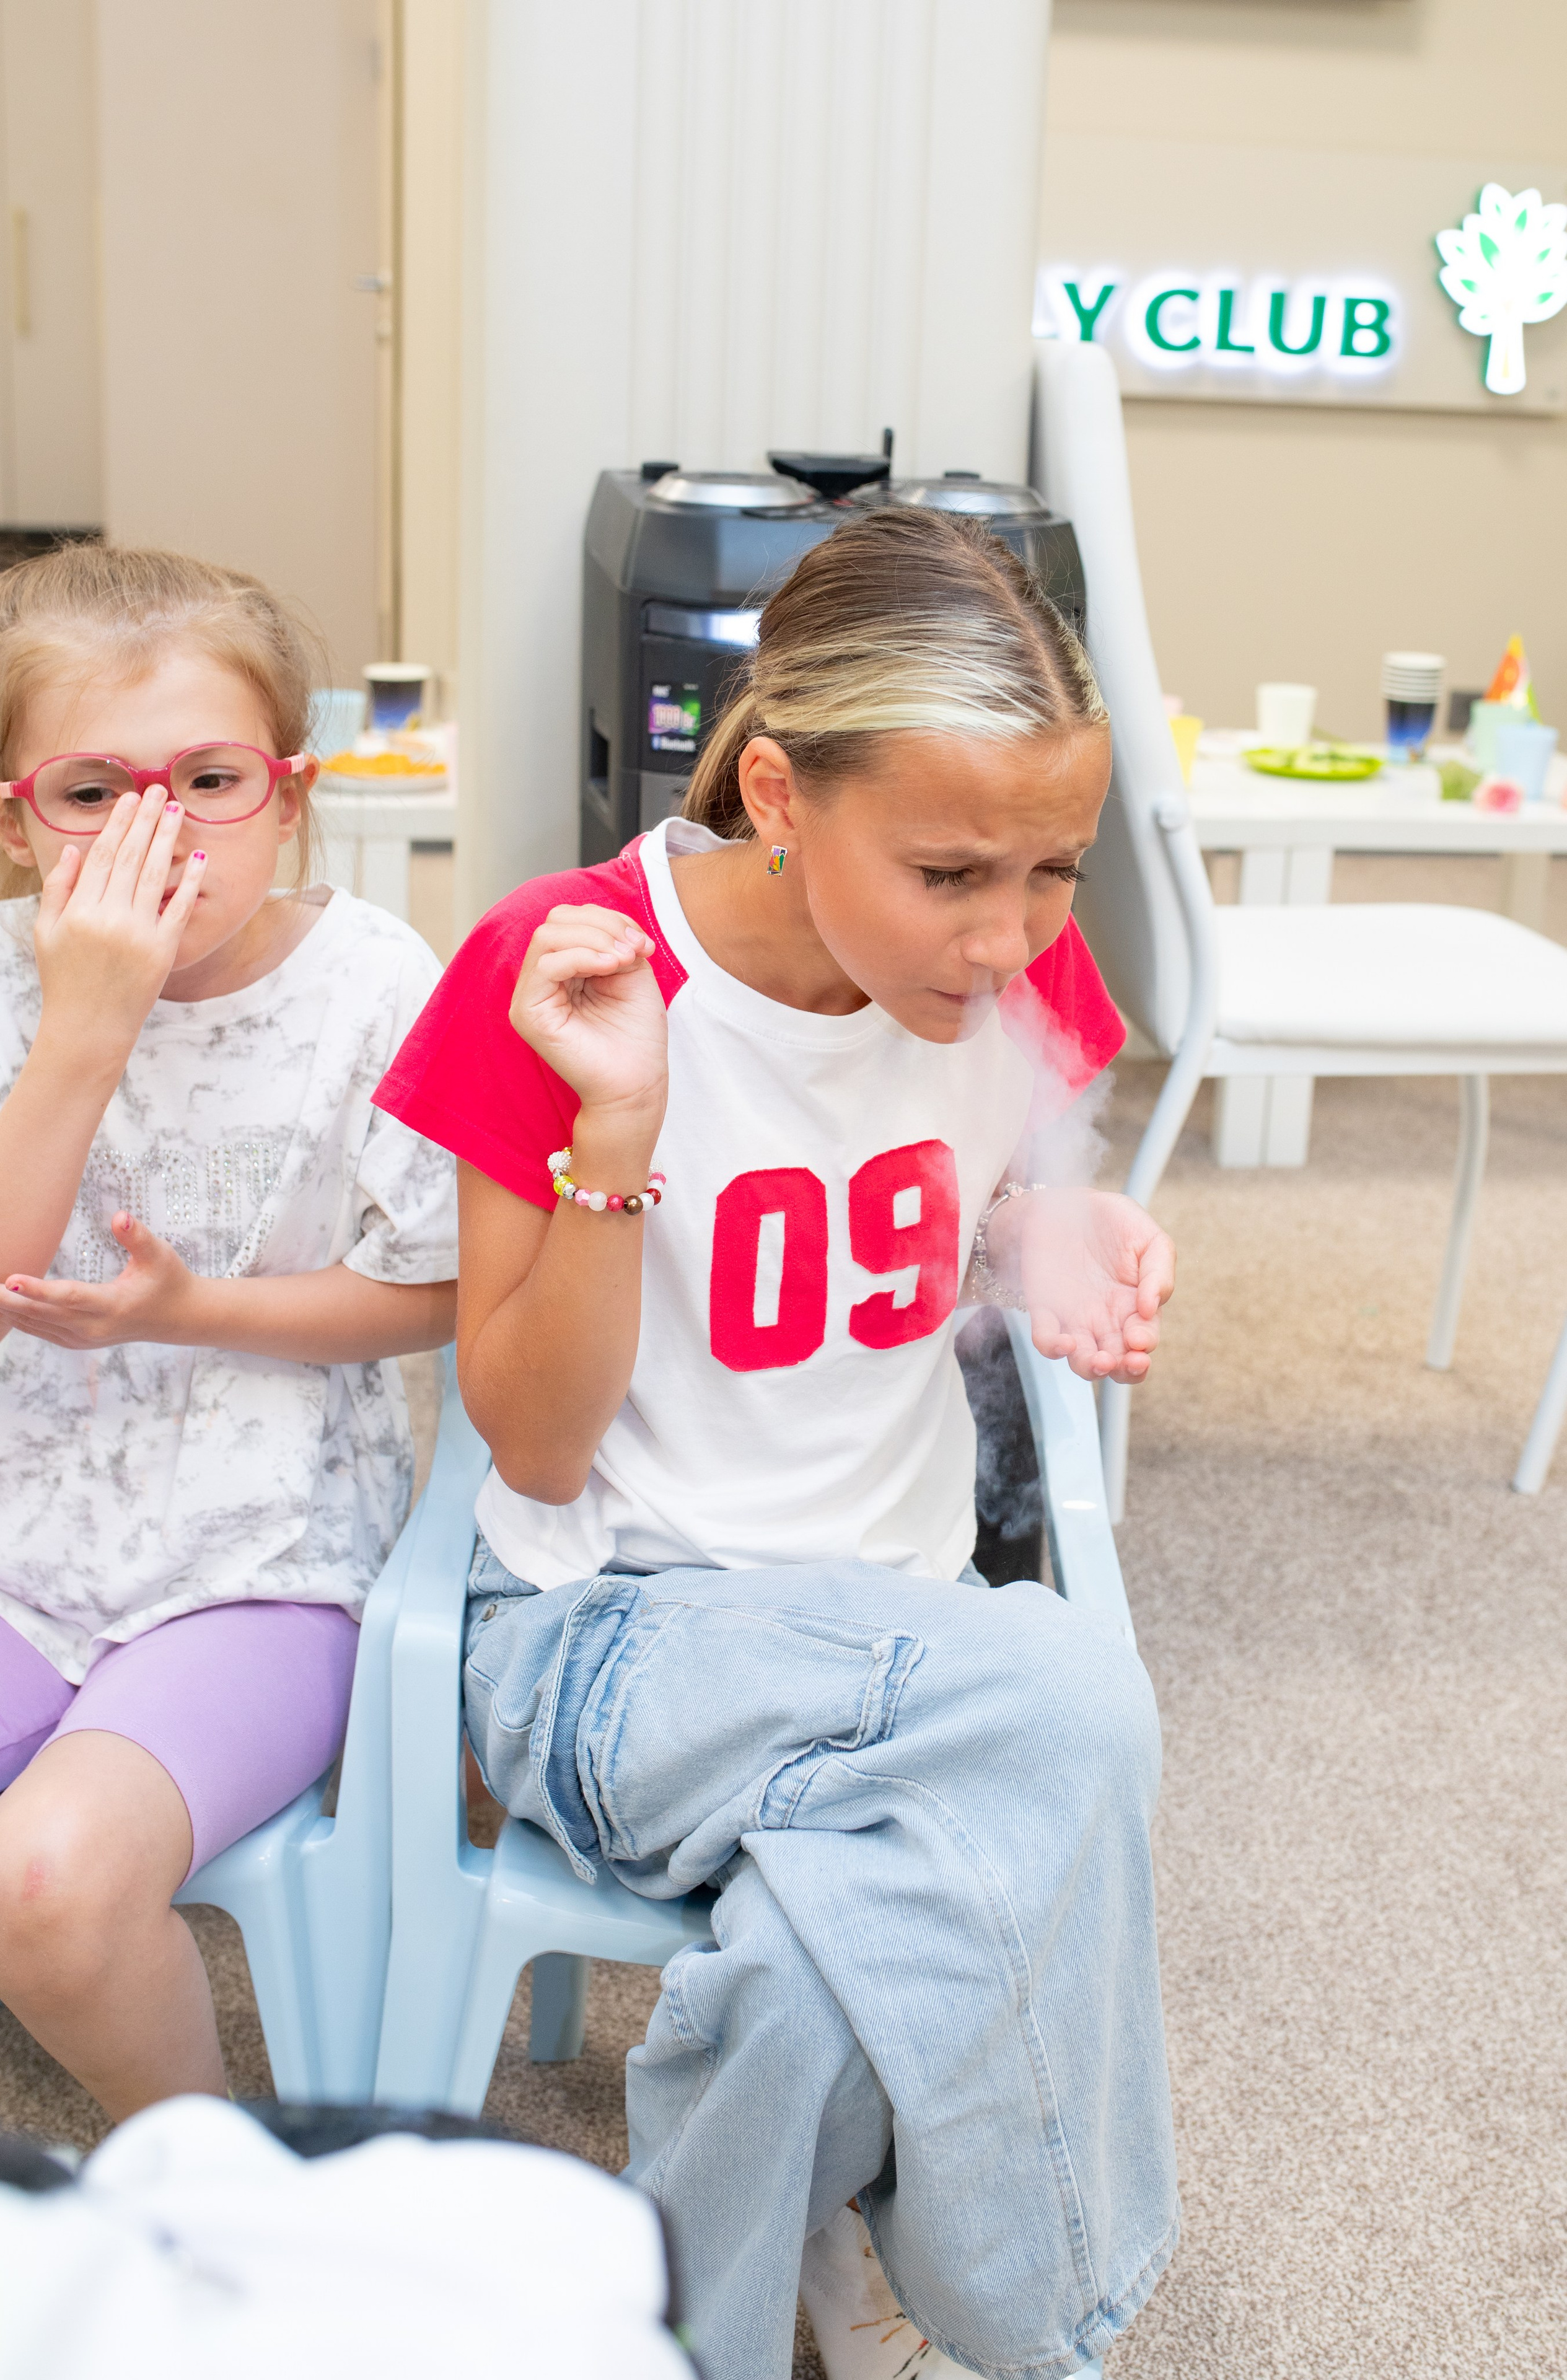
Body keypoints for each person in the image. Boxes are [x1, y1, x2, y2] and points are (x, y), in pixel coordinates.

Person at [376, 507, 1179, 2380]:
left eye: (1059, 867)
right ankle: (1054, 2322)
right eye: (954, 871)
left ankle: (683, 2338)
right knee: (1072, 1696)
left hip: (887, 1640)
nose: (1012, 937)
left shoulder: (1018, 970)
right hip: (607, 1631)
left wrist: (1046, 1224)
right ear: (775, 790)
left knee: (814, 1990)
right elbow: (545, 1451)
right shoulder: (561, 967)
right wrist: (619, 1124)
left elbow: (990, 1185)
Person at [0, 546, 457, 2120]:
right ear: (7, 814)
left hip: (263, 1563)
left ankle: (205, 2177)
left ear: (292, 792)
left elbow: (444, 1287)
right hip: (7, 1543)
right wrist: (85, 1030)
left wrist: (200, 1308)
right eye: (92, 792)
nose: (160, 832)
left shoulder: (375, 987)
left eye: (209, 776)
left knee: (42, 1883)